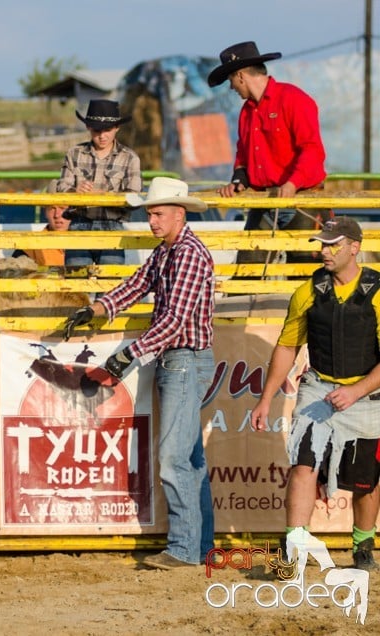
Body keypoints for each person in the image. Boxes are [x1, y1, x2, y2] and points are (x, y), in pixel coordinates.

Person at [64, 177, 216, 569]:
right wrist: (97, 309)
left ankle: (184, 548)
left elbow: (174, 320)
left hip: (183, 360)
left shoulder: (188, 255)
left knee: (172, 458)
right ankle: (199, 546)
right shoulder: (168, 252)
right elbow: (137, 284)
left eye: (158, 213)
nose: (151, 220)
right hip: (177, 360)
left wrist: (125, 356)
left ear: (179, 214)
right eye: (150, 213)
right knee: (187, 457)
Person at [249, 216, 380, 570]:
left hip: (366, 394)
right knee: (303, 465)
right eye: (322, 243)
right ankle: (294, 543)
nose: (324, 250)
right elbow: (287, 346)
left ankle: (363, 544)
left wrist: (356, 390)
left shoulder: (378, 291)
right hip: (318, 387)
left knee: (365, 480)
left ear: (355, 247)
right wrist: (265, 399)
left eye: (332, 244)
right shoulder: (308, 291)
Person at [210, 41, 327, 248]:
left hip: (302, 199)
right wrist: (238, 181)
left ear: (241, 76)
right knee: (250, 263)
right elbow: (243, 156)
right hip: (264, 199)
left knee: (301, 266)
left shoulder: (294, 99)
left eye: (231, 80)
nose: (231, 87)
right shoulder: (246, 113)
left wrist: (293, 183)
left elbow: (312, 150)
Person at [56, 99, 141, 268]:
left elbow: (135, 197)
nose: (102, 136)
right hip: (79, 222)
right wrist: (75, 191)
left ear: (117, 128)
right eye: (97, 131)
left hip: (112, 225)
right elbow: (61, 188)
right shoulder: (74, 153)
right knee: (76, 286)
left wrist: (107, 197)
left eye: (107, 130)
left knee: (109, 284)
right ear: (88, 128)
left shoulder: (130, 158)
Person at [12, 180, 71, 267]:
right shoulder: (30, 246)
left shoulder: (89, 242)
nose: (57, 215)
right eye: (52, 208)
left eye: (62, 208)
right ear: (45, 212)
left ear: (74, 211)